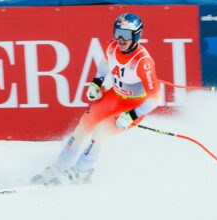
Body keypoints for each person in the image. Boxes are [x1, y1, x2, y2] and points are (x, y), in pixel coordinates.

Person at [31, 13, 160, 185]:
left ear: (136, 35)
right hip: (114, 96)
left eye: (127, 35)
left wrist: (132, 115)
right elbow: (104, 66)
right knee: (84, 125)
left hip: (133, 105)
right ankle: (60, 165)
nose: (121, 39)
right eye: (118, 33)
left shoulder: (142, 63)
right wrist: (96, 83)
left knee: (100, 131)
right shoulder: (112, 47)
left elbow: (156, 98)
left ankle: (83, 170)